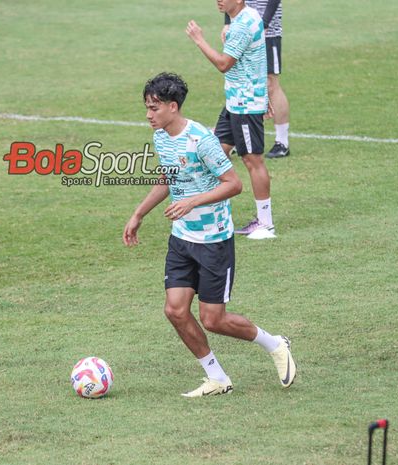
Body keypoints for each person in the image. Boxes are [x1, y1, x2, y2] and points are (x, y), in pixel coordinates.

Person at [123, 72, 296, 397]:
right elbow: (167, 178)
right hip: (181, 239)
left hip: (213, 241)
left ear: (173, 107)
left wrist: (191, 201)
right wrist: (138, 214)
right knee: (175, 310)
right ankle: (216, 377)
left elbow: (234, 184)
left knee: (214, 319)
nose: (149, 114)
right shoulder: (162, 136)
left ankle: (274, 343)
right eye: (147, 107)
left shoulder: (201, 140)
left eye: (154, 108)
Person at [186, 0, 276, 240]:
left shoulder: (243, 24)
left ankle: (266, 223)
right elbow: (256, 58)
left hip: (245, 105)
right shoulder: (247, 17)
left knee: (252, 160)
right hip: (236, 102)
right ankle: (214, 214)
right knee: (216, 153)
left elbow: (224, 64)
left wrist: (199, 39)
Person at [224, 0, 291, 159]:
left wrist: (265, 22)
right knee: (240, 78)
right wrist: (228, 22)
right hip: (240, 28)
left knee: (270, 83)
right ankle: (236, 136)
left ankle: (282, 141)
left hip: (267, 31)